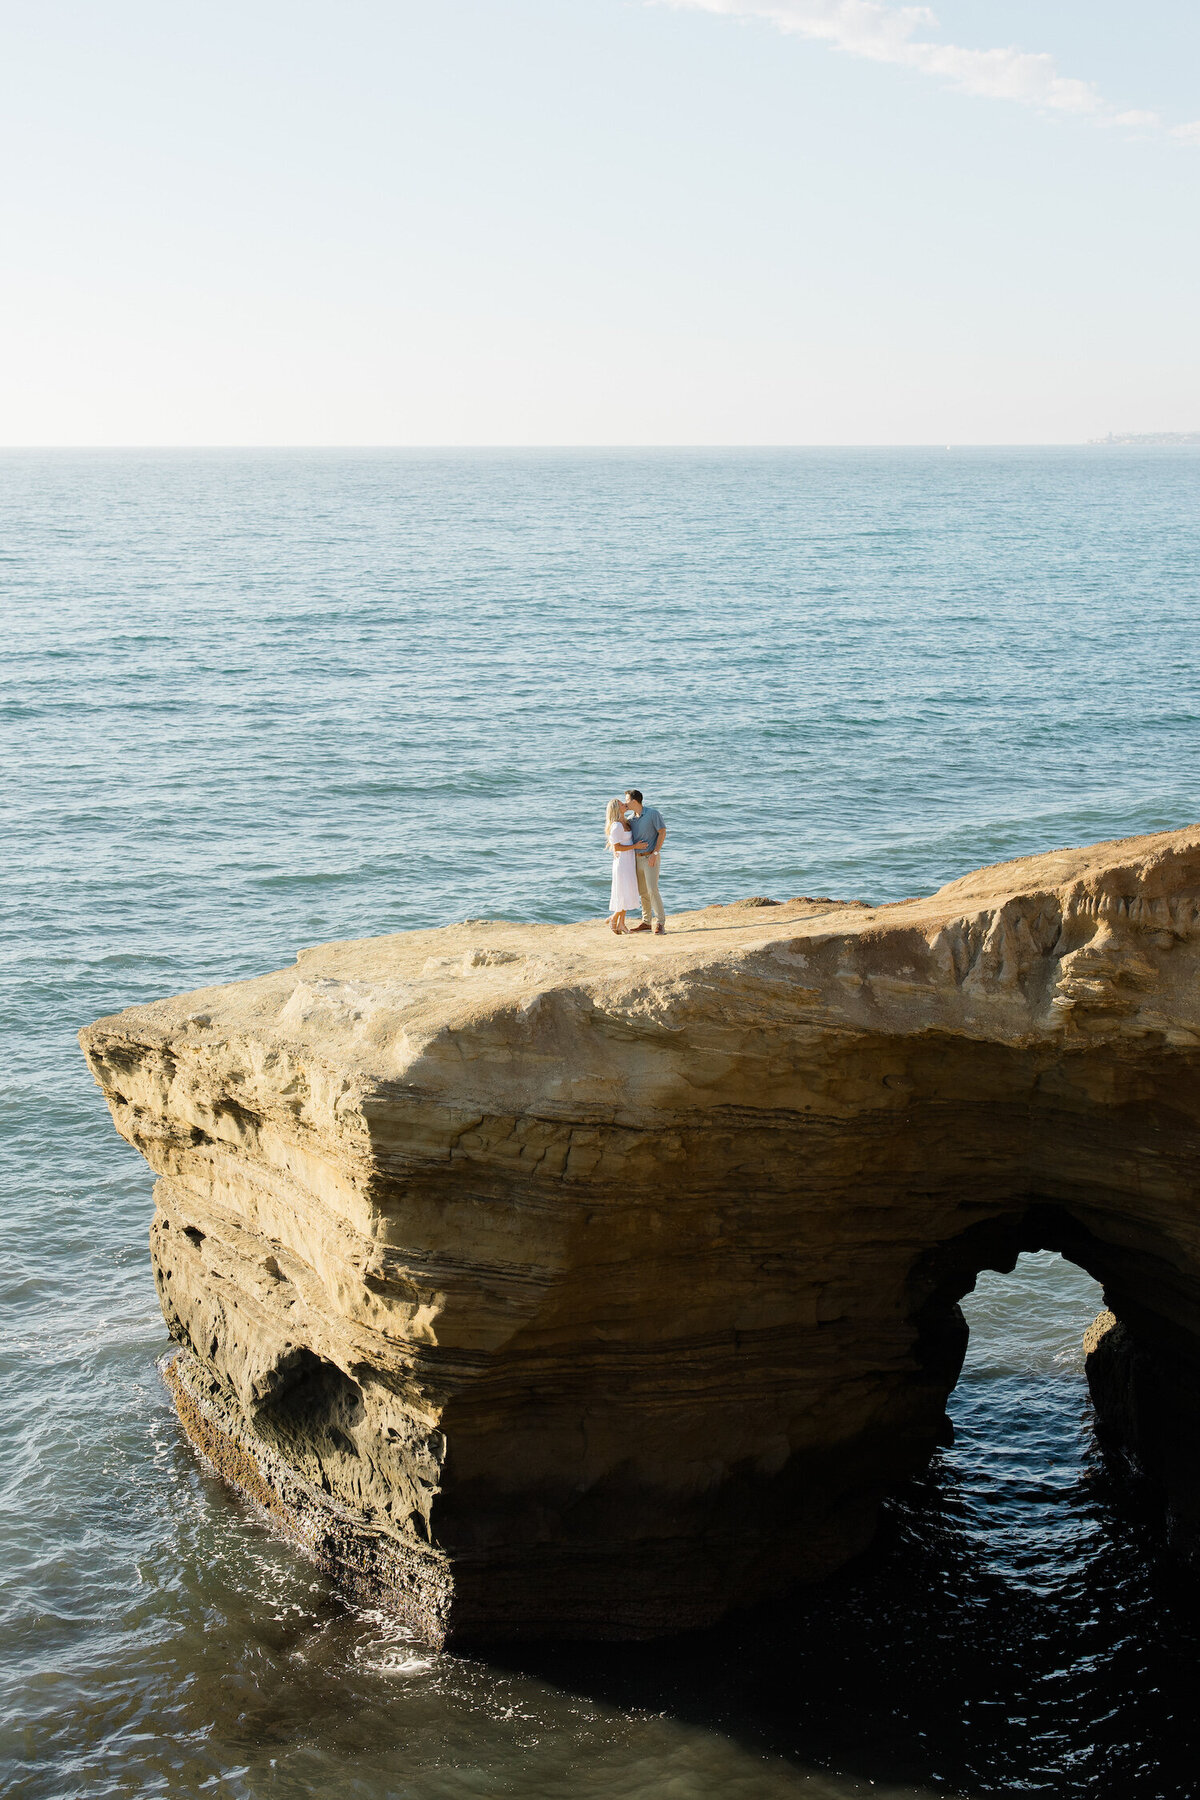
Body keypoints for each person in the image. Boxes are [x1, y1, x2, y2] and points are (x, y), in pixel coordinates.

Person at [624, 789, 667, 934]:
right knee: (643, 891)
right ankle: (646, 922)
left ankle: (660, 923)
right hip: (636, 859)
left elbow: (662, 832)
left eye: (627, 800)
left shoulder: (652, 814)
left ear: (634, 801)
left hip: (650, 857)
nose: (625, 802)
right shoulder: (630, 819)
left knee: (652, 890)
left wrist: (655, 853)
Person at [605, 797, 640, 934]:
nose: (625, 804)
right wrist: (635, 846)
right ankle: (614, 919)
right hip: (622, 863)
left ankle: (621, 924)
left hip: (629, 861)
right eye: (621, 804)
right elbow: (617, 847)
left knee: (626, 892)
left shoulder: (625, 822)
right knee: (623, 893)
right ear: (616, 809)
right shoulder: (616, 826)